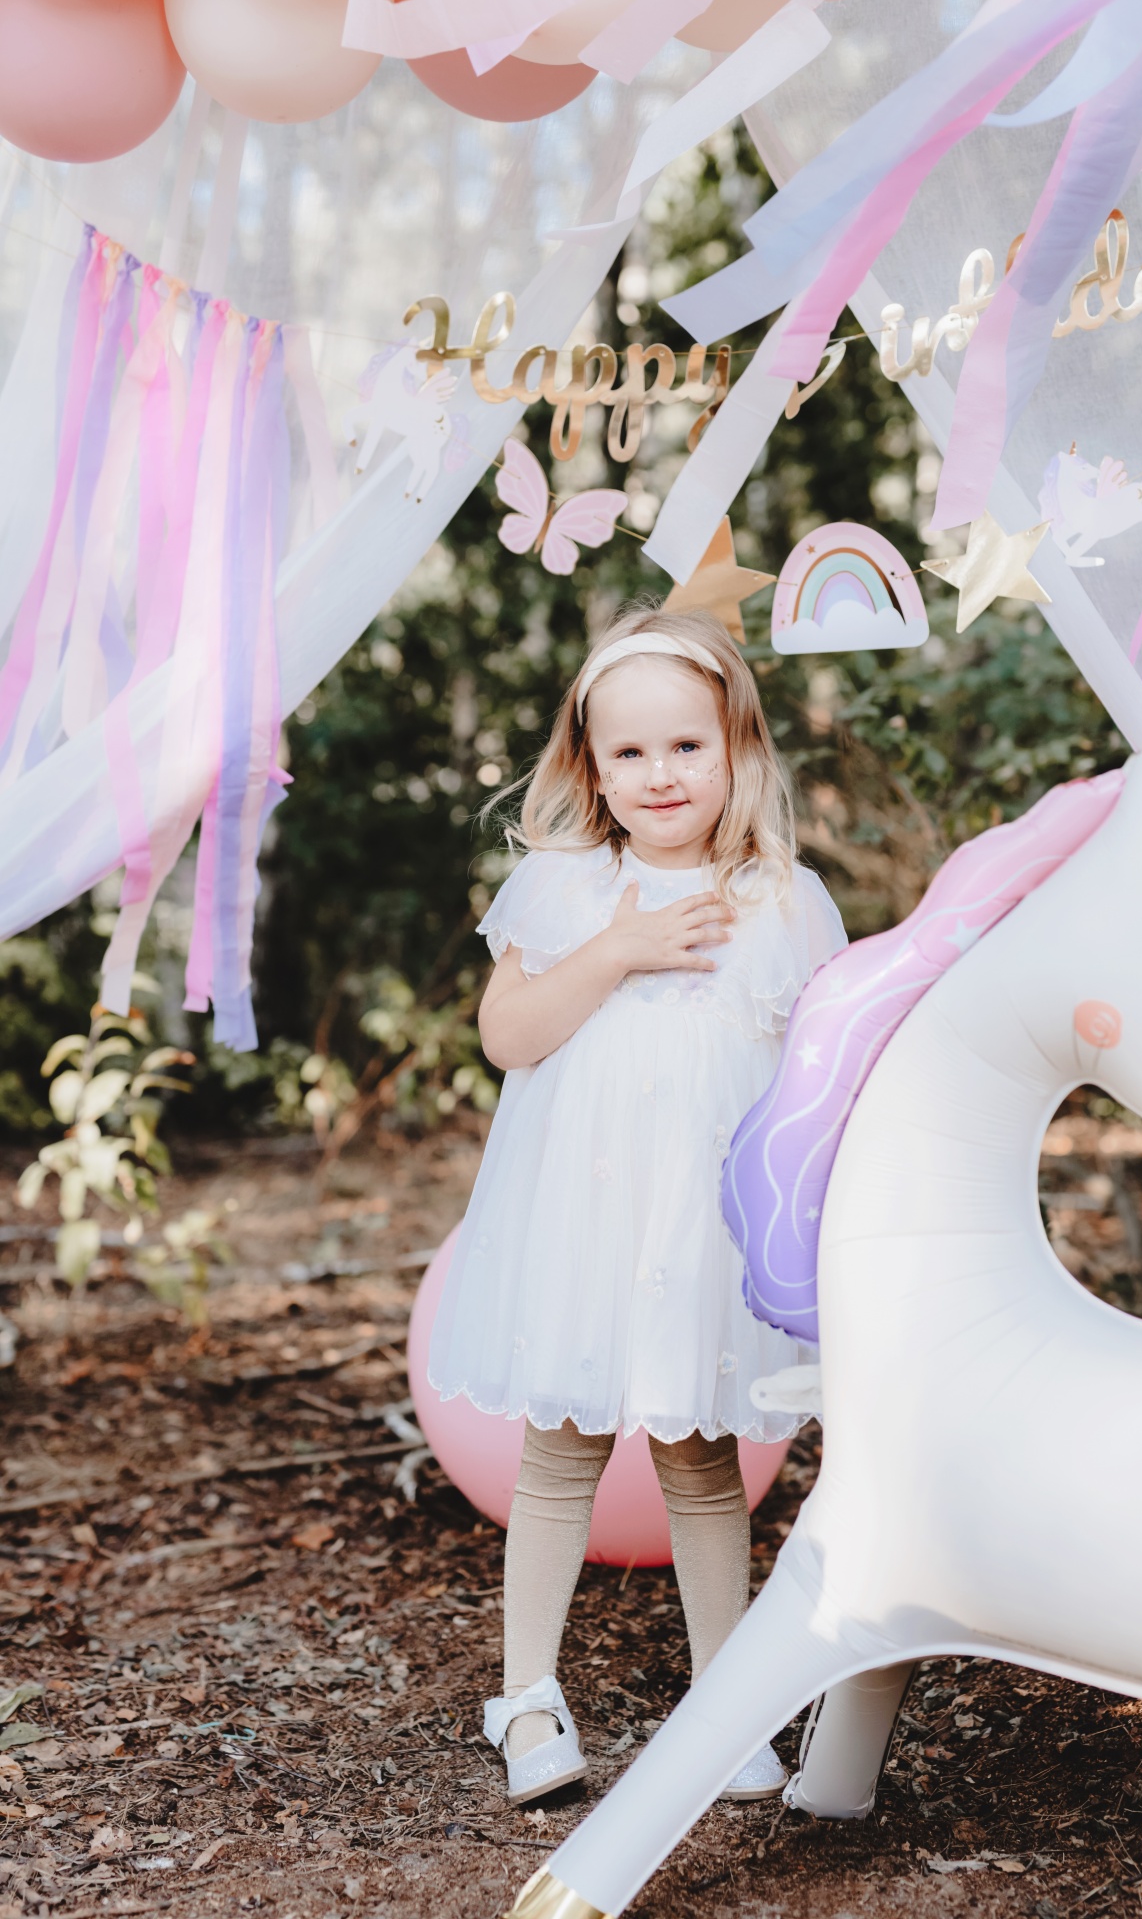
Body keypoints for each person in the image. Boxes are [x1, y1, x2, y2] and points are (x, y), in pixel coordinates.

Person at [426, 602, 846, 1806]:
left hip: (700, 1233)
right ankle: (526, 1698)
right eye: (629, 752)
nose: (659, 774)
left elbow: (816, 1079)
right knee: (560, 1454)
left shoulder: (781, 901)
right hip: (583, 1224)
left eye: (686, 747)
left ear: (736, 752)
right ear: (591, 767)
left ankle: (724, 1704)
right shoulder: (563, 886)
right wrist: (613, 951)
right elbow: (510, 1036)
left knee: (703, 1458)